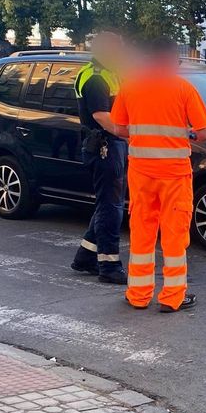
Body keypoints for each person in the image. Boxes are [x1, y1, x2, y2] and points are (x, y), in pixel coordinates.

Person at [109, 38, 206, 313]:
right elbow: (204, 133)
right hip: (175, 175)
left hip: (141, 173)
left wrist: (145, 137)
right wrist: (185, 135)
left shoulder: (130, 86)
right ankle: (172, 297)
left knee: (142, 233)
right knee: (174, 236)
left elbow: (119, 128)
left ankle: (138, 295)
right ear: (169, 60)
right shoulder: (183, 89)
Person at [71, 31, 129, 284]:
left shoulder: (109, 73)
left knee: (107, 204)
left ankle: (85, 256)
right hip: (105, 146)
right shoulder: (96, 77)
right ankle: (109, 265)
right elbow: (101, 116)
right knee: (111, 207)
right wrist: (131, 134)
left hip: (108, 146)